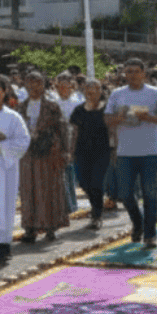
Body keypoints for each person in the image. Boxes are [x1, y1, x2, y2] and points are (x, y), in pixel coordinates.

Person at [105, 57, 157, 249]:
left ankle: (149, 235)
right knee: (125, 193)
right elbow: (107, 120)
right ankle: (137, 223)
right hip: (125, 152)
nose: (131, 75)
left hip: (150, 151)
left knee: (149, 193)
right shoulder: (117, 94)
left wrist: (149, 118)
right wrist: (119, 117)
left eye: (135, 71)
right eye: (128, 71)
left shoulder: (155, 93)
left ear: (144, 74)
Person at [0, 74, 30, 265]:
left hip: (3, 168)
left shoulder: (13, 117)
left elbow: (23, 141)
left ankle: (3, 248)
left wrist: (1, 146)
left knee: (3, 206)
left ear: (4, 92)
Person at [17, 71, 69, 243]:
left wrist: (65, 151)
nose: (33, 86)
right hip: (27, 154)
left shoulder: (52, 106)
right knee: (28, 190)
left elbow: (62, 129)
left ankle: (50, 226)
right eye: (29, 82)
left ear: (43, 84)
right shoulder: (21, 106)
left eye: (37, 82)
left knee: (48, 189)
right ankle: (30, 228)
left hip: (48, 152)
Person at [70, 79, 110, 230]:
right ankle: (95, 207)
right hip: (82, 151)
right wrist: (71, 151)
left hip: (102, 151)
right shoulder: (78, 110)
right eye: (88, 90)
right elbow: (74, 132)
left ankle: (97, 215)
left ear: (100, 91)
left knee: (96, 183)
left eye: (94, 90)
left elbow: (113, 130)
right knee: (84, 183)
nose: (91, 93)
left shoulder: (107, 109)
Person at [55, 73, 82, 213]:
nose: (63, 89)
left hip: (73, 140)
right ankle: (65, 205)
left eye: (66, 86)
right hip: (57, 141)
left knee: (70, 172)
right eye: (60, 87)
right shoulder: (53, 102)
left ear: (71, 87)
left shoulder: (77, 103)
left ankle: (71, 204)